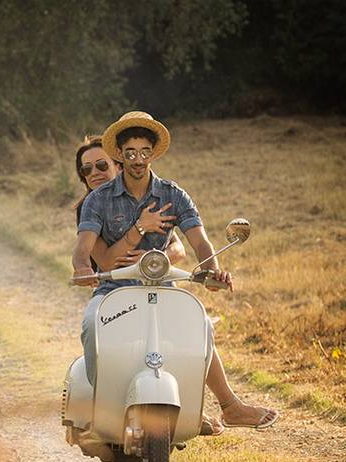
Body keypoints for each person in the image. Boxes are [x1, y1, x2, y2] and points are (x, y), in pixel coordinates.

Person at [71, 112, 278, 432]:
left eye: (144, 152)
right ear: (120, 155)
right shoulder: (98, 200)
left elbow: (200, 241)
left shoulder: (173, 195)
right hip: (115, 290)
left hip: (163, 288)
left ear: (153, 154)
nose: (137, 159)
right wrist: (83, 268)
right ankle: (105, 405)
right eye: (130, 152)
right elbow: (85, 250)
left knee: (201, 327)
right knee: (90, 326)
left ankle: (227, 406)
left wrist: (214, 271)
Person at [74, 134, 186, 272]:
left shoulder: (144, 197)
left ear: (119, 167)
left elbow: (178, 248)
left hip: (153, 280)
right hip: (112, 285)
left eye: (102, 166)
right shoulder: (87, 207)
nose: (94, 173)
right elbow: (106, 263)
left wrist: (154, 258)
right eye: (86, 169)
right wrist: (140, 228)